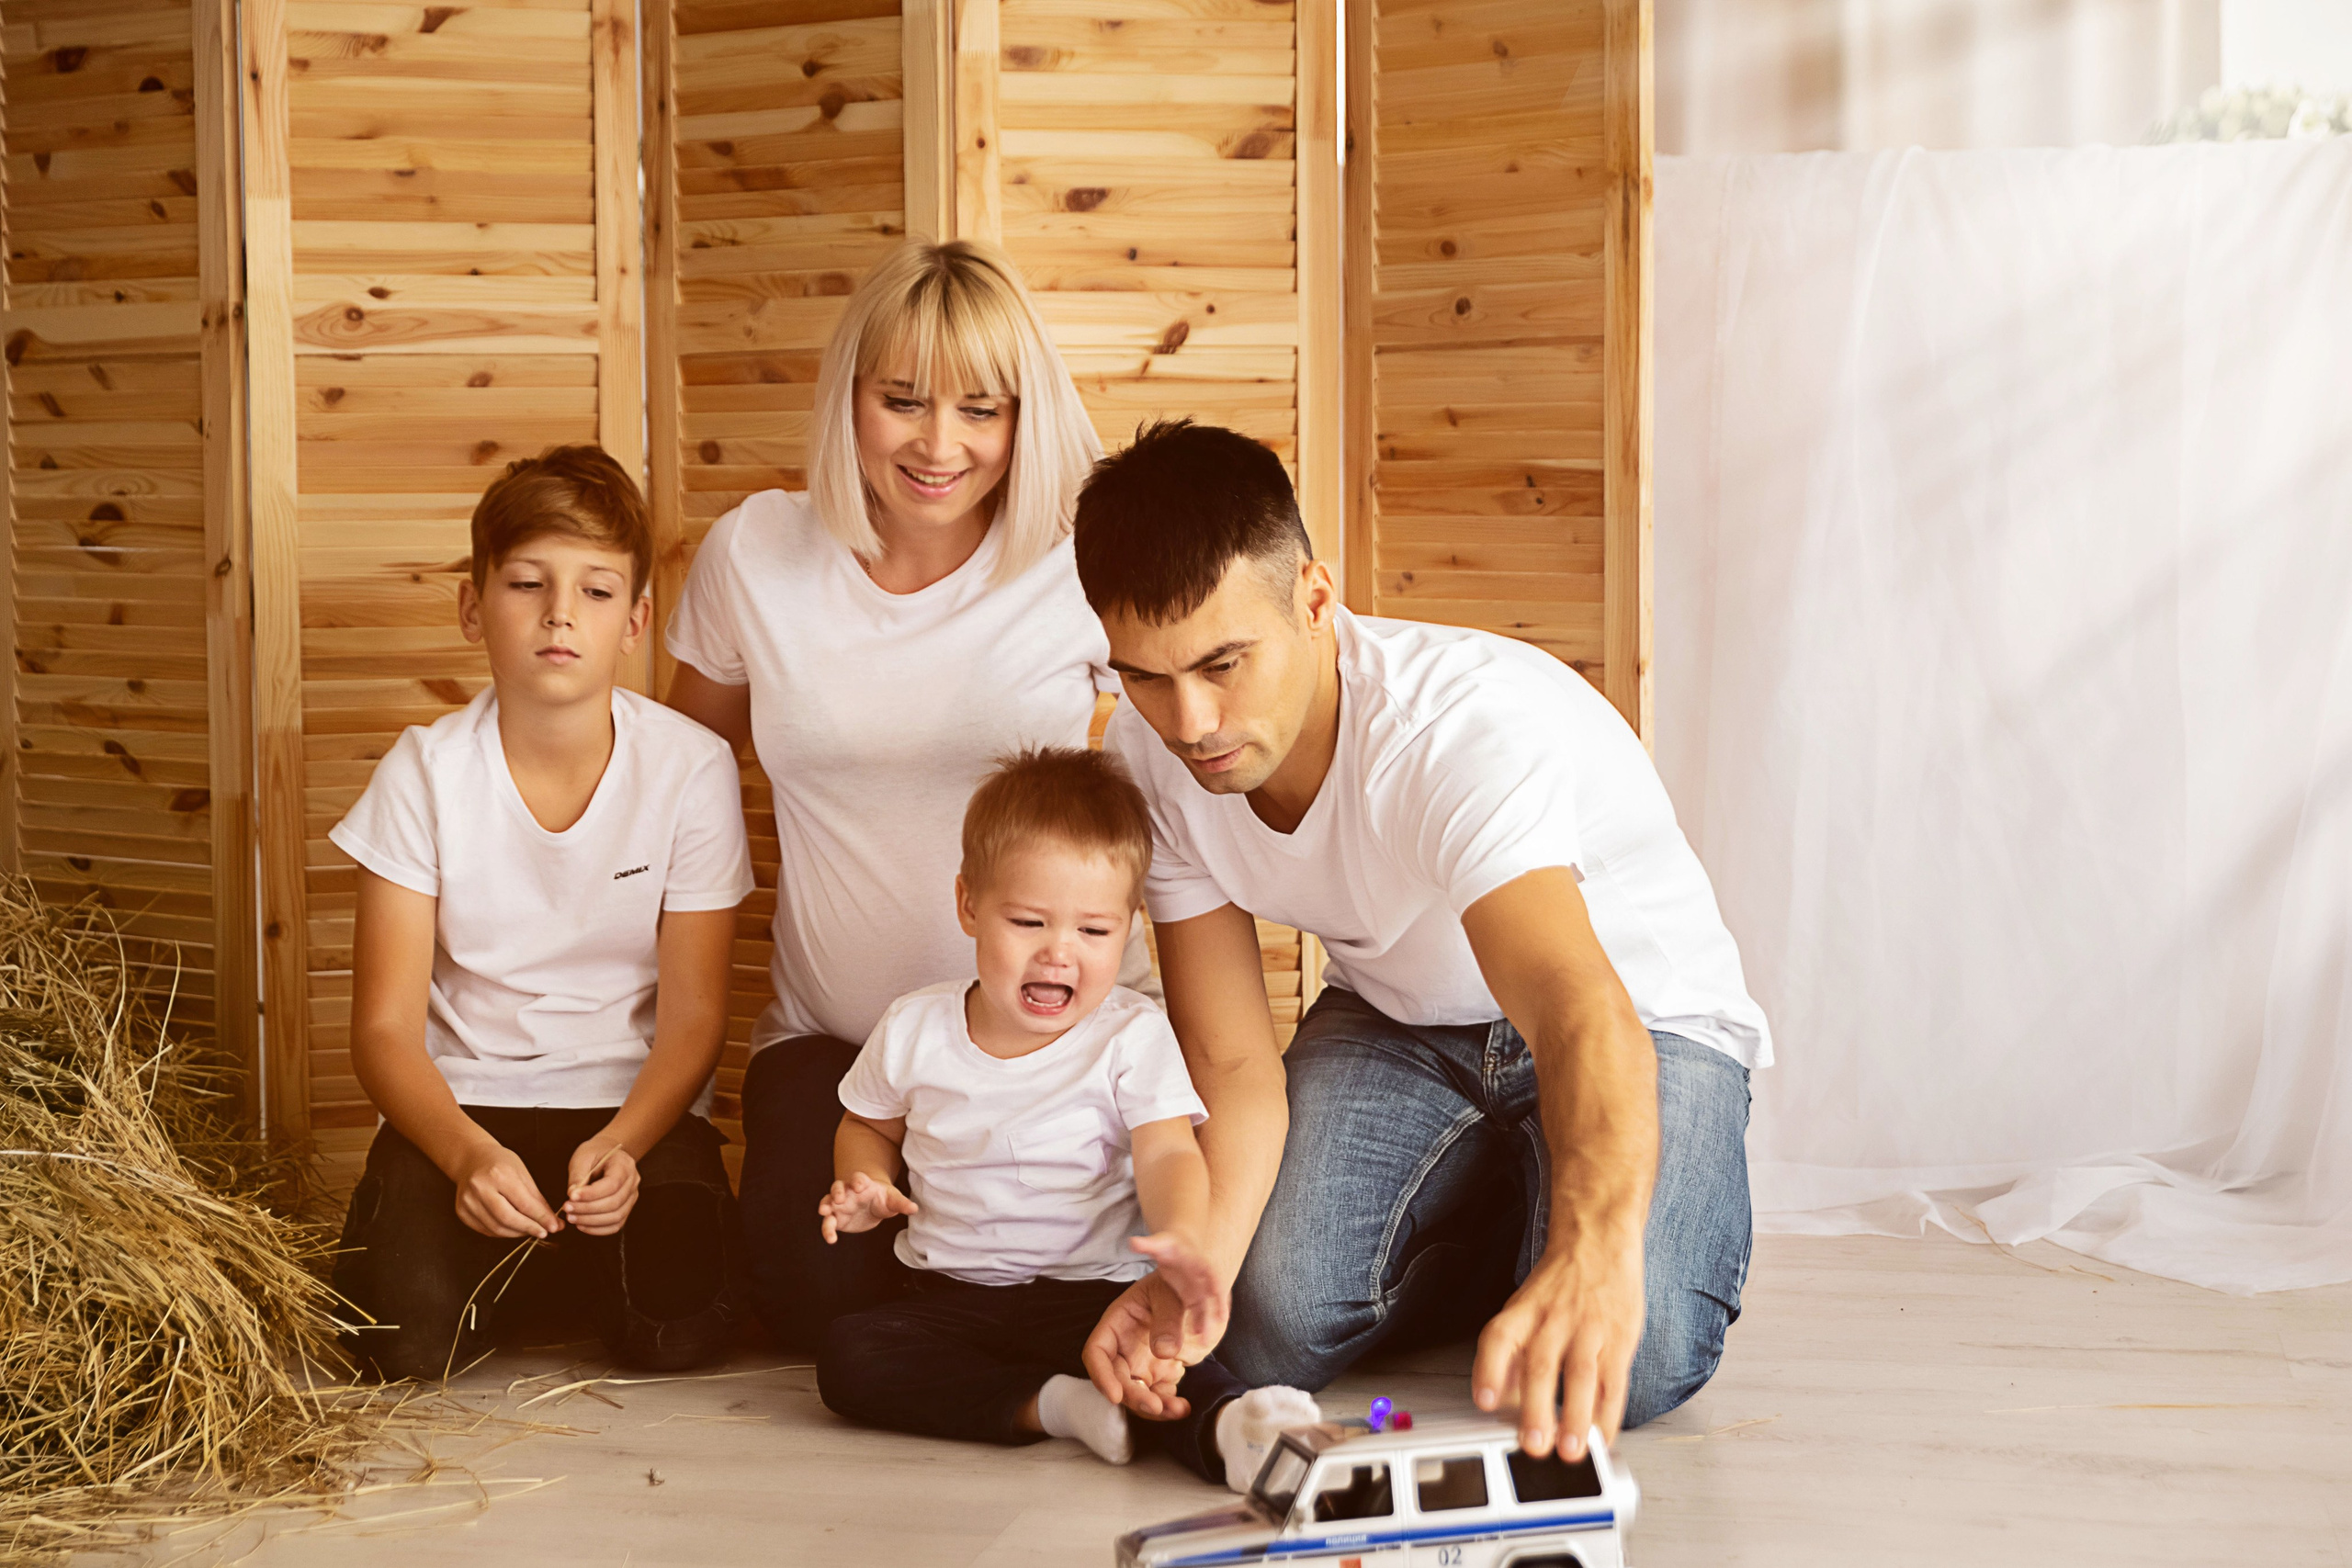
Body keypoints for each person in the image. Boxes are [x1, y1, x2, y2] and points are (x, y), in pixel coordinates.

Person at [1070, 422, 1772, 1461]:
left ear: (1313, 598)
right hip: (1400, 1022)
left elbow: (1574, 1004)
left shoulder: (1453, 730)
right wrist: (1199, 1269)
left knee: (1639, 1351)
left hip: (1634, 1015)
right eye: (1147, 676)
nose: (1192, 721)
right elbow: (1231, 1060)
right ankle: (1502, 1214)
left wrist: (1591, 1245)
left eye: (1223, 663)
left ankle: (1550, 1207)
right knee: (1261, 1334)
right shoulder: (1151, 756)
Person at [663, 240, 1156, 1354]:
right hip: (838, 1049)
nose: (941, 446)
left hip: (1057, 1047)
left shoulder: (1085, 566)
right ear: (851, 399)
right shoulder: (756, 553)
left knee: (1056, 1288)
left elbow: (1185, 780)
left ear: (1023, 421)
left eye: (982, 410)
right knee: (814, 1306)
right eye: (902, 402)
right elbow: (677, 776)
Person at [332, 446, 753, 1381]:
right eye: (527, 583)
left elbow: (692, 1019)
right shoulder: (424, 772)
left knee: (678, 1330)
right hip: (466, 1108)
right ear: (473, 606)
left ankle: (555, 1264)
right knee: (399, 1347)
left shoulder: (689, 769)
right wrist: (468, 1158)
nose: (561, 613)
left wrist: (625, 1143)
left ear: (637, 619)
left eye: (597, 592)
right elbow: (385, 1031)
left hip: (629, 1110)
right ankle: (513, 1256)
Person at [813, 748, 1317, 1487]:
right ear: (968, 905)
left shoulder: (1129, 1033)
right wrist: (860, 1179)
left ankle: (1236, 1429)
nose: (1059, 952)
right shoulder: (914, 1027)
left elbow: (1169, 1150)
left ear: (1129, 928)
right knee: (849, 1357)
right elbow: (869, 1125)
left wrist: (1181, 1232)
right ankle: (1054, 1407)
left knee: (1156, 1357)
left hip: (1093, 1293)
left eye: (1093, 931)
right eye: (1028, 920)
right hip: (951, 1296)